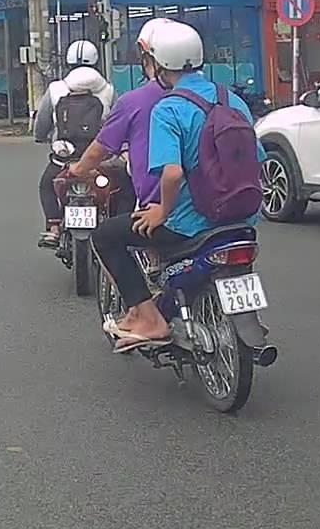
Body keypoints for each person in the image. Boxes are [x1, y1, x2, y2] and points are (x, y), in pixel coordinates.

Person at [90, 21, 265, 352]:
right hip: (242, 216)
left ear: (158, 64)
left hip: (189, 222)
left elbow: (171, 174)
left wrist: (162, 212)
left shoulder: (169, 108)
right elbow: (257, 156)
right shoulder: (233, 100)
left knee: (106, 236)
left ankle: (148, 319)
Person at [67, 17, 178, 219]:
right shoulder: (223, 97)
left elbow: (98, 151)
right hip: (219, 212)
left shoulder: (134, 101)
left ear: (147, 58)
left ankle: (53, 225)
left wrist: (77, 170)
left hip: (162, 212)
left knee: (106, 234)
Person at [32, 39, 117, 247]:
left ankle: (53, 228)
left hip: (65, 158)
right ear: (96, 62)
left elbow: (42, 123)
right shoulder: (108, 90)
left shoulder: (55, 89)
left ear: (68, 63)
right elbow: (118, 123)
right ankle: (115, 228)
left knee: (46, 185)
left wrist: (41, 137)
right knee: (119, 188)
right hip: (99, 157)